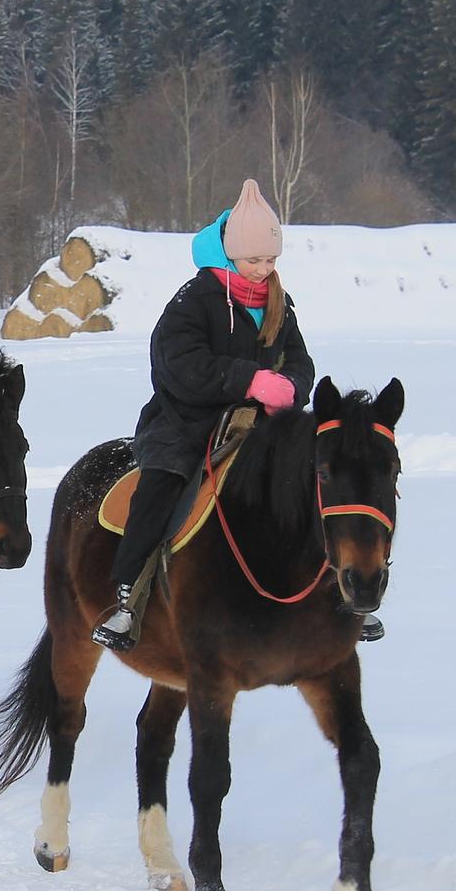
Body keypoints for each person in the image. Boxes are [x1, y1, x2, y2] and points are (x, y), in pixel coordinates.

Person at [92, 179, 375, 650]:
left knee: (315, 482)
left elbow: (301, 360)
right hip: (184, 421)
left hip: (261, 426)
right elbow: (178, 364)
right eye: (254, 260)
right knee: (161, 483)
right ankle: (128, 596)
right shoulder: (195, 299)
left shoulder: (279, 304)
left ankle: (341, 589)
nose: (263, 270)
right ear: (229, 254)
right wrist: (247, 380)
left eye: (271, 260)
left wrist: (290, 387)